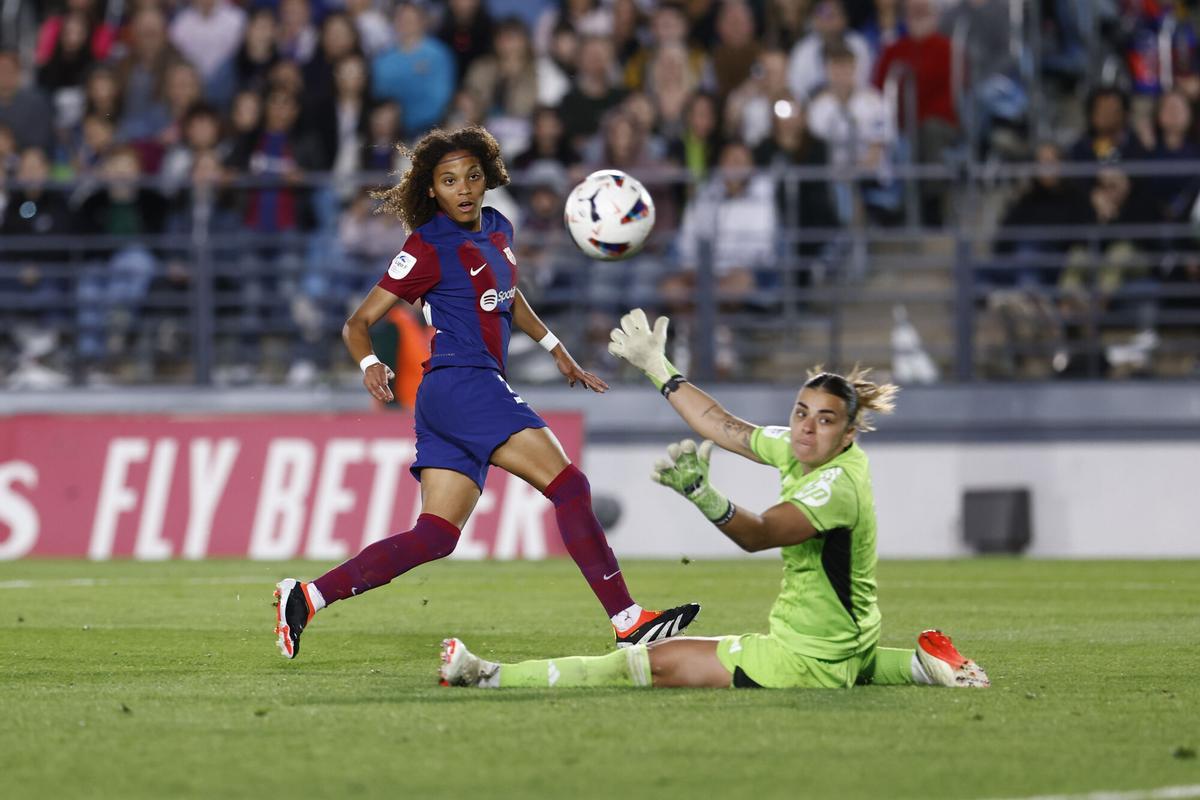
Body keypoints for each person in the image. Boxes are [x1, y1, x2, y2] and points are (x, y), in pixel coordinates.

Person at [273, 127, 700, 659]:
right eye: (449, 180)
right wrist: (369, 362)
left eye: (472, 176)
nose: (464, 189)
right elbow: (358, 321)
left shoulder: (498, 228)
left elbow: (506, 294)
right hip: (462, 381)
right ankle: (628, 619)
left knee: (435, 536)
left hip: (456, 391)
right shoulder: (425, 245)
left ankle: (307, 596)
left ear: (488, 178)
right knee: (569, 487)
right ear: (431, 189)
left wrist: (554, 347)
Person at [438, 309, 991, 690]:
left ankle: (488, 674)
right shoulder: (804, 449)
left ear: (847, 434)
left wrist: (705, 496)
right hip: (845, 639)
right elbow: (725, 427)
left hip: (804, 659)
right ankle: (923, 665)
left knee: (645, 665)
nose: (805, 429)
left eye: (824, 421)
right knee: (846, 657)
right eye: (801, 413)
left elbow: (762, 534)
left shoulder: (833, 487)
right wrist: (660, 368)